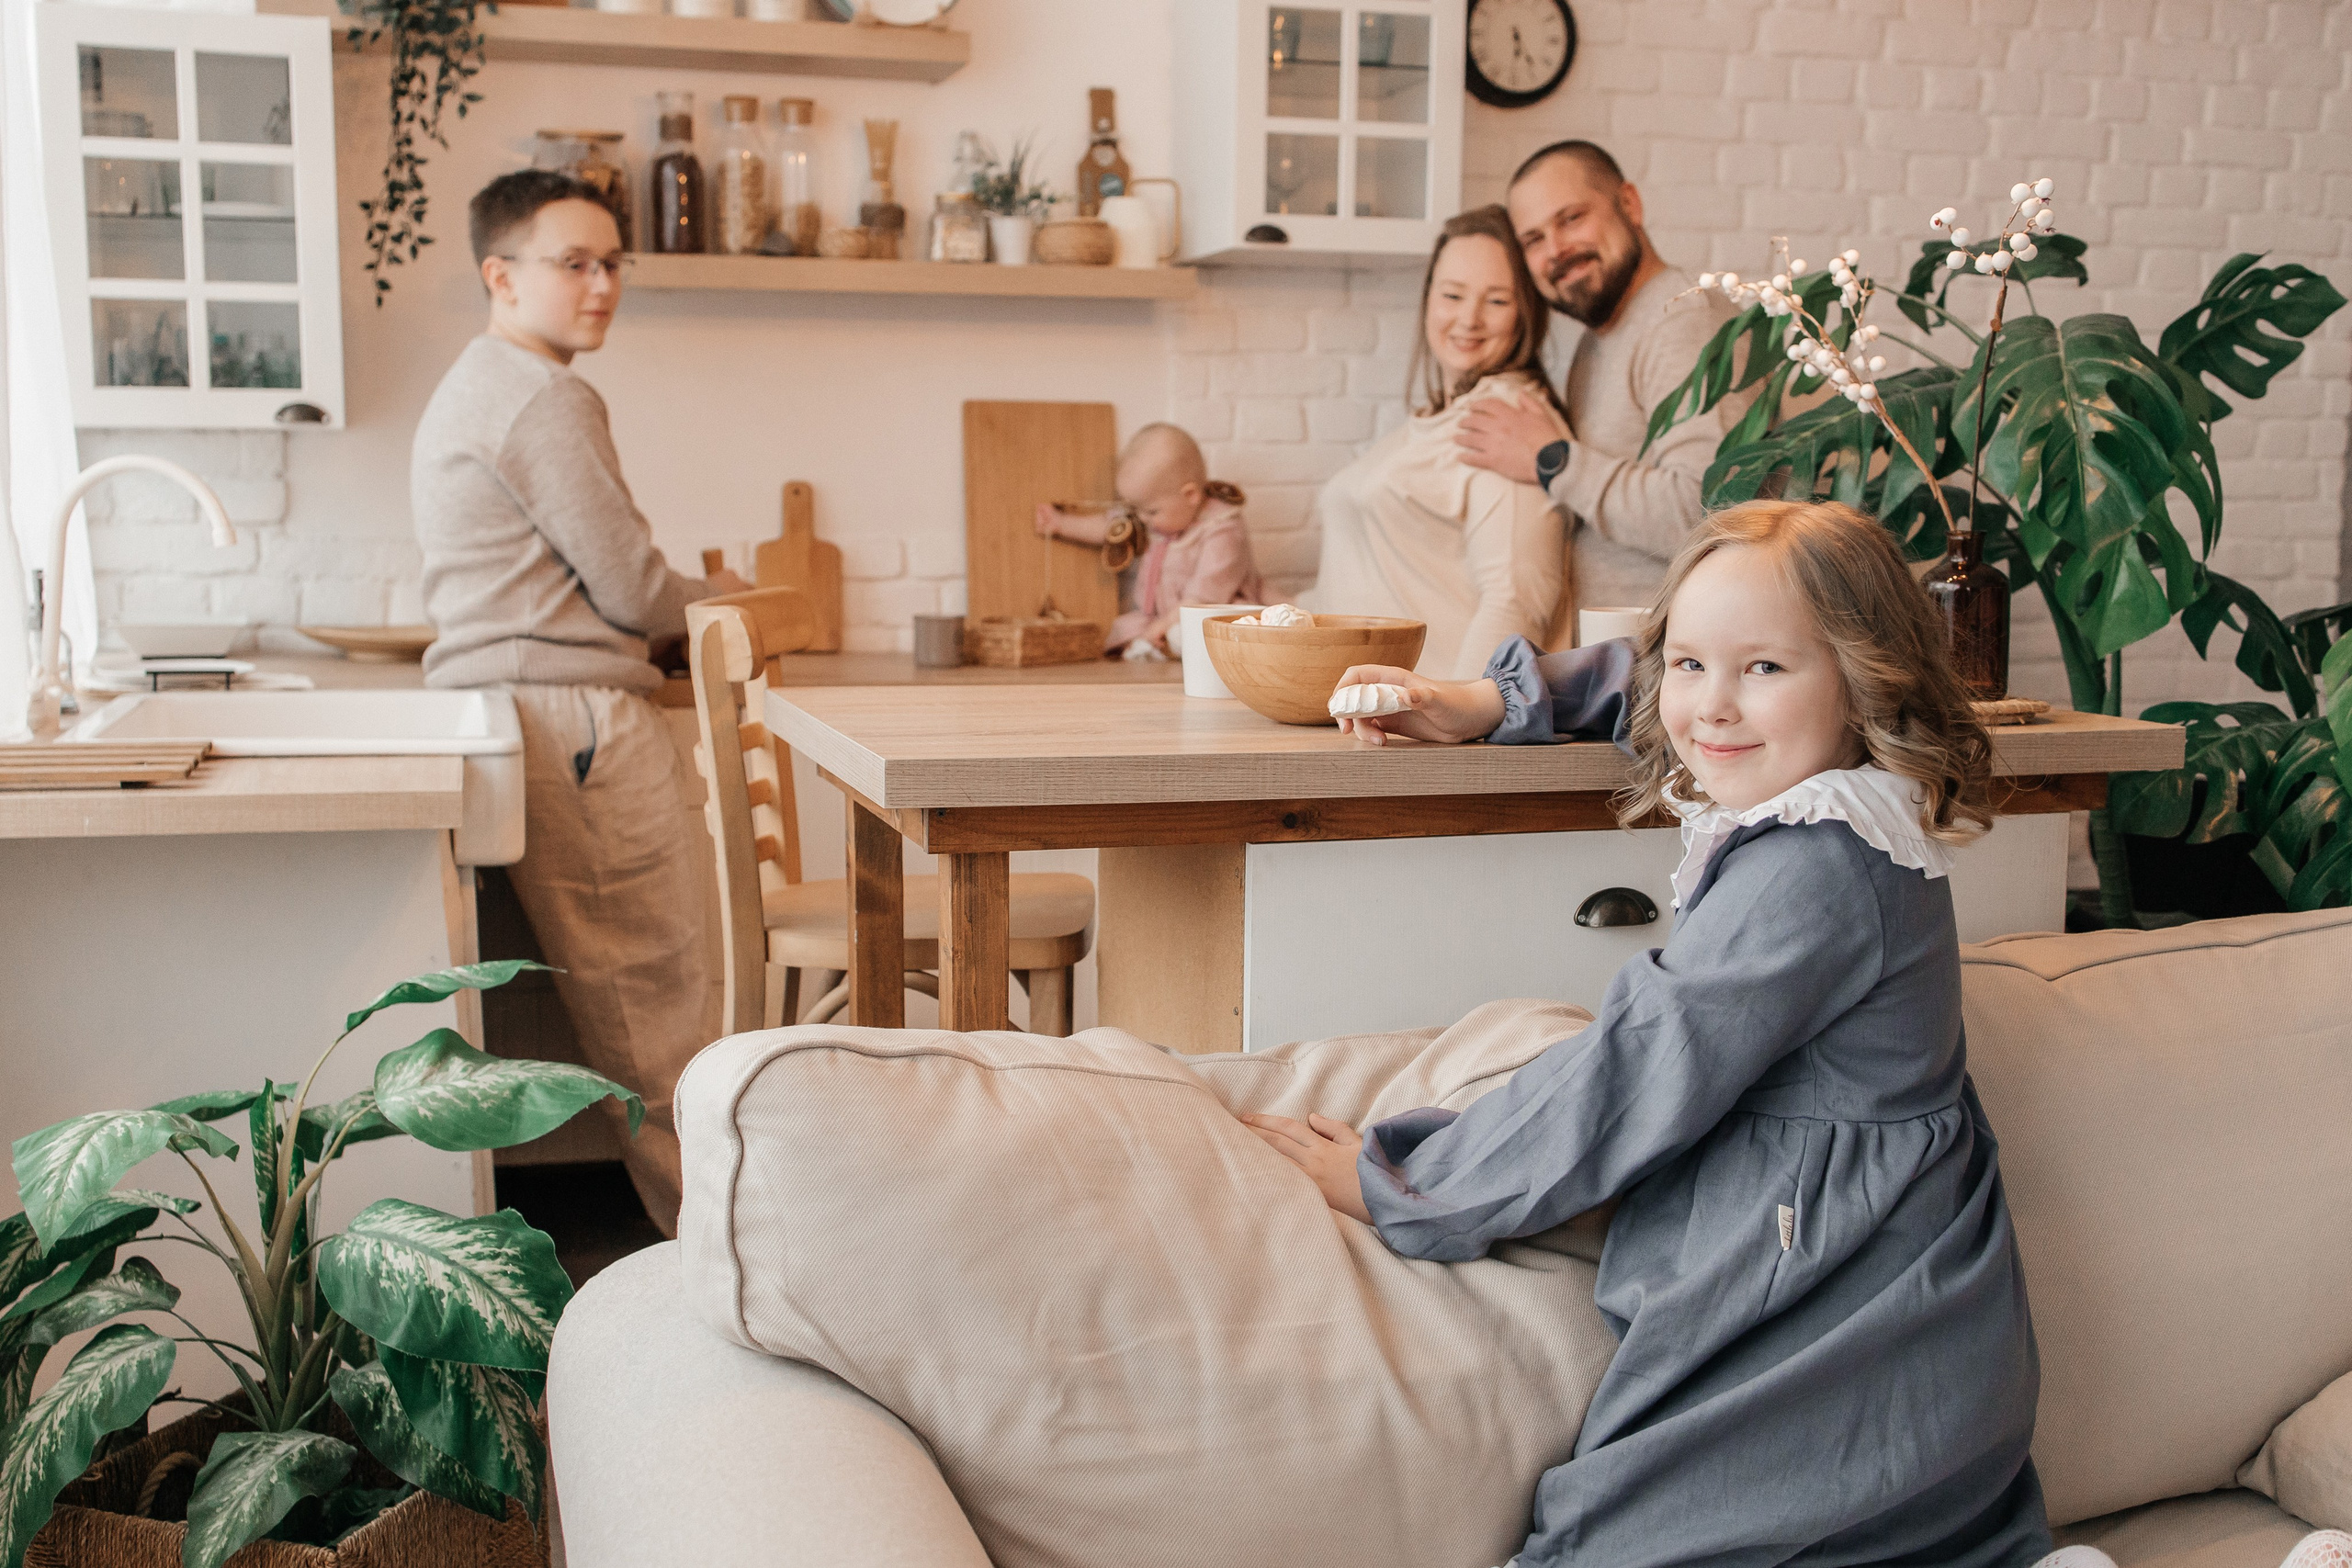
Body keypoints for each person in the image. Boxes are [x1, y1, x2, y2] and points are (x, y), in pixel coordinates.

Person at [1247, 500, 2057, 1563]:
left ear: (1868, 680)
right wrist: (1489, 700)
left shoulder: (1812, 871)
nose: (1710, 705)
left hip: (1844, 1323)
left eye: (1763, 669)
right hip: (1901, 1312)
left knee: (1602, 1544)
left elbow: (1633, 1071)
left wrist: (1404, 1183)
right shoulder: (1846, 803)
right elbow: (1640, 677)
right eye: (1689, 665)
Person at [413, 169, 748, 1236]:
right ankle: (737, 1267)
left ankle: (721, 1255)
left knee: (633, 1024)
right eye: (574, 263)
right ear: (500, 275)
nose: (601, 285)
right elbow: (634, 591)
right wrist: (730, 596)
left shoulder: (482, 383)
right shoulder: (541, 395)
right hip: (578, 724)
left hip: (527, 718)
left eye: (612, 264)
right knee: (661, 1027)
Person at [1455, 140, 1758, 613]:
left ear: (1629, 205)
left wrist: (1551, 459)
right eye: (1533, 240)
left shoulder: (1685, 322)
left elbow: (1711, 515)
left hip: (1671, 650)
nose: (1556, 250)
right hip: (1619, 647)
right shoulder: (1597, 343)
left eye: (1571, 218)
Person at [1299, 206, 1567, 678]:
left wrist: (1458, 713)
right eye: (1453, 295)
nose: (1469, 319)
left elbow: (1515, 601)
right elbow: (1379, 581)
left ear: (1526, 313)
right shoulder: (1439, 419)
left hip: (1426, 709)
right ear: (1428, 299)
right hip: (1371, 705)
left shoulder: (1505, 420)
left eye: (1497, 301)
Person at [1035, 423, 1263, 658]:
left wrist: (1163, 626)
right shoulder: (1154, 516)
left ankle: (1168, 643)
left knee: (1201, 633)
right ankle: (1157, 645)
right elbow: (1111, 528)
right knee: (1130, 631)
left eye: (1152, 512)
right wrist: (1061, 524)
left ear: (1191, 495)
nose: (1143, 519)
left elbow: (1204, 597)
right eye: (1137, 509)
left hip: (1207, 612)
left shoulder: (1222, 529)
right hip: (1159, 616)